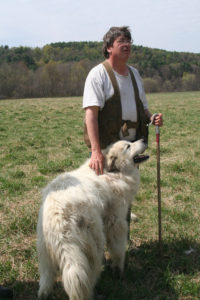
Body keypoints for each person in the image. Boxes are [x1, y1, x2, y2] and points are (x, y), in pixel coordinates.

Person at [83, 26, 163, 174]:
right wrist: (95, 152)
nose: (127, 45)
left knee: (126, 192)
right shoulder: (98, 74)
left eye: (128, 41)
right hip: (107, 153)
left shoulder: (135, 74)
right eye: (121, 41)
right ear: (108, 48)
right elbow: (91, 115)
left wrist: (152, 118)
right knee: (104, 194)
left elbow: (143, 108)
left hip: (129, 150)